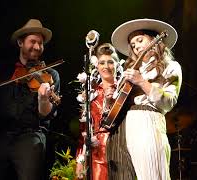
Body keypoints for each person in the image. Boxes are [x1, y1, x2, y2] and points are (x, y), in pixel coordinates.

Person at [0, 19, 61, 180]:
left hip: (31, 136)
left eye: (40, 43)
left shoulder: (50, 75)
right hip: (1, 135)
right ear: (20, 42)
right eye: (33, 42)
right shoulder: (2, 69)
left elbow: (45, 115)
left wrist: (43, 99)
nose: (37, 47)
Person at [106, 18, 182, 180]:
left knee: (151, 175)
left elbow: (168, 102)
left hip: (148, 122)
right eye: (133, 45)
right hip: (123, 127)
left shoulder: (170, 66)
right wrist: (110, 99)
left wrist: (141, 81)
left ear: (154, 40)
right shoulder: (131, 71)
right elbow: (117, 104)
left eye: (140, 40)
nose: (137, 46)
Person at [75, 43, 121, 180]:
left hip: (119, 148)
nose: (106, 66)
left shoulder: (124, 90)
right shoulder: (90, 93)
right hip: (96, 153)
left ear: (117, 65)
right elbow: (83, 131)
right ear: (97, 66)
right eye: (102, 63)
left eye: (110, 62)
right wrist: (80, 160)